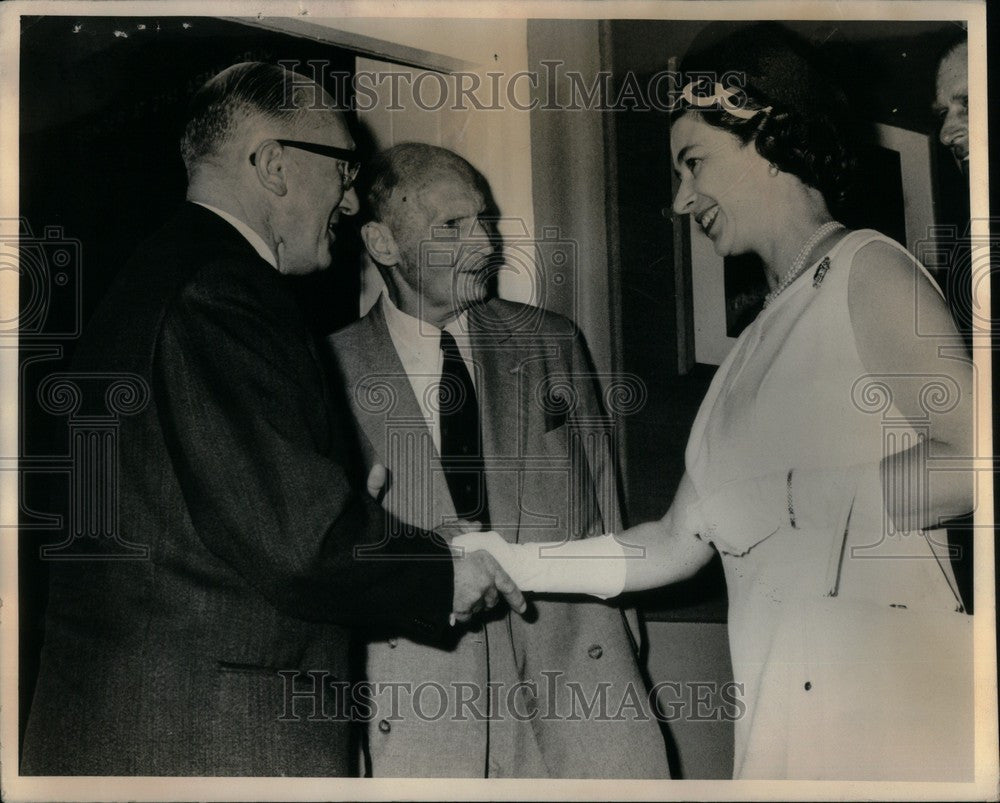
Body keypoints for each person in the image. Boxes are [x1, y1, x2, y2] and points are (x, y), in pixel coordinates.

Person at [455, 23, 975, 781]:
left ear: (768, 133)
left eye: (694, 163)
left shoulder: (870, 269)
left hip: (886, 703)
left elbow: (977, 459)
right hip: (778, 712)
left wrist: (798, 499)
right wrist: (509, 558)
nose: (679, 198)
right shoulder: (752, 346)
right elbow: (673, 541)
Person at [20, 63, 524, 777]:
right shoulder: (222, 290)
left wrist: (394, 538)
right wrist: (442, 573)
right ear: (274, 165)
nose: (350, 205)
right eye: (344, 169)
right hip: (210, 735)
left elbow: (219, 531)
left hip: (146, 722)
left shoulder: (155, 277)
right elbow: (297, 539)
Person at [325, 143, 669, 778]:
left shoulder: (551, 342)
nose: (484, 244)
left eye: (483, 221)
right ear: (383, 243)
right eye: (452, 227)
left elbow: (607, 511)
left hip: (582, 695)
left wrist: (629, 655)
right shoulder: (327, 371)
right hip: (423, 704)